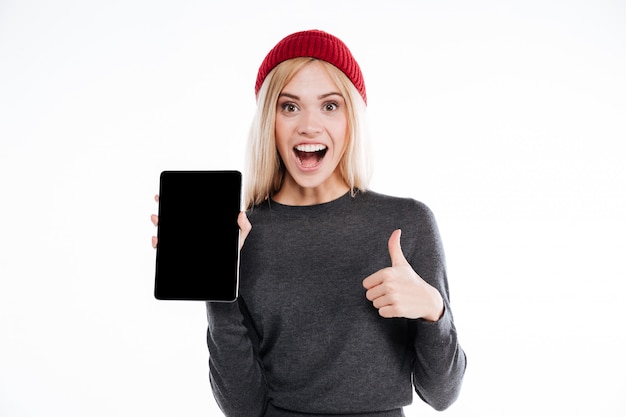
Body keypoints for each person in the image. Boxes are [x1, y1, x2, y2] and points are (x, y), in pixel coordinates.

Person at [152, 29, 466, 417]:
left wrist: (434, 311)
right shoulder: (242, 234)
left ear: (352, 118)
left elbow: (442, 394)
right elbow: (242, 408)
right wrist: (216, 281)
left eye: (330, 106)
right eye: (290, 107)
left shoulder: (406, 223)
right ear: (270, 120)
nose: (309, 126)